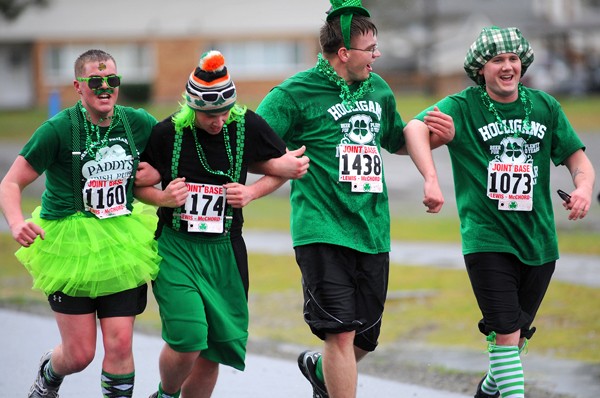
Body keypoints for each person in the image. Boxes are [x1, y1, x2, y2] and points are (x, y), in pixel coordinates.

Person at [255, 1, 454, 397]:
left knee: (365, 336)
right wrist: (281, 168)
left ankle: (321, 371)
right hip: (321, 227)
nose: (377, 55)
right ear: (344, 53)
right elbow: (253, 147)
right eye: (371, 48)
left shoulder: (378, 89)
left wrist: (439, 137)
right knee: (341, 333)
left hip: (372, 229)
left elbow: (395, 140)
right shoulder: (292, 94)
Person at [406, 26, 596, 398]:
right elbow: (413, 128)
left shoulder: (544, 106)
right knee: (506, 332)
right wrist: (431, 179)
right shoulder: (462, 107)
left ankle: (489, 390)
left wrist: (584, 188)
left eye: (513, 59)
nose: (507, 67)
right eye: (497, 61)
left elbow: (578, 160)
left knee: (512, 340)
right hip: (487, 239)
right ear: (481, 69)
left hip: (539, 243)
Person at [134, 50, 309, 398]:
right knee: (188, 339)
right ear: (192, 106)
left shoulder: (247, 125)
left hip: (225, 250)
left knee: (212, 349)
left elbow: (285, 167)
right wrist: (162, 198)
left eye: (224, 111)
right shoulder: (167, 132)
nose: (218, 120)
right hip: (177, 249)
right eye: (209, 113)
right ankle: (165, 394)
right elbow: (138, 184)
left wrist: (251, 192)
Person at [0, 49, 161, 397]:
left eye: (112, 80)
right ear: (78, 86)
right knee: (79, 354)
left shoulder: (138, 122)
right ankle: (49, 373)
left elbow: (178, 149)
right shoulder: (57, 130)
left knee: (119, 344)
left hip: (122, 243)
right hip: (68, 246)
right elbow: (11, 182)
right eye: (95, 81)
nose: (105, 88)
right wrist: (15, 223)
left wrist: (160, 171)